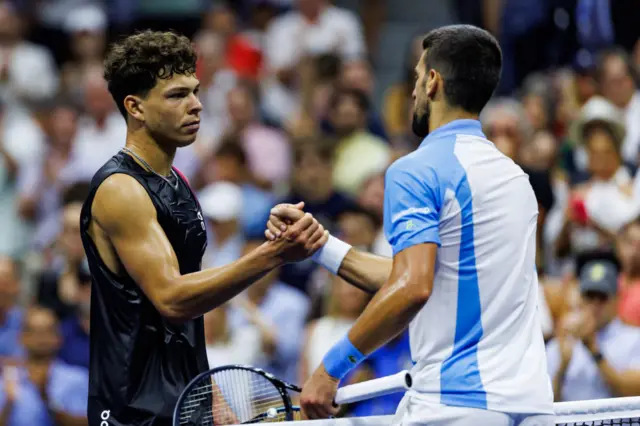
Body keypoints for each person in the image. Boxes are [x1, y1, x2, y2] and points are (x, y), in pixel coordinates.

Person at [266, 25, 555, 425]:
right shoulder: (515, 178)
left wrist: (329, 368)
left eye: (419, 77)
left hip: (455, 406)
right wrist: (323, 246)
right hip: (532, 406)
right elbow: (433, 276)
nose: (415, 90)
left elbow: (412, 286)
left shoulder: (416, 170)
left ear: (433, 81)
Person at [79, 30, 327, 426]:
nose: (196, 106)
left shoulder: (177, 181)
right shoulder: (120, 190)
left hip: (184, 400)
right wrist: (273, 254)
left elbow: (187, 317)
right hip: (133, 412)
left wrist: (210, 394)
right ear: (135, 107)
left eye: (195, 92)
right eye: (177, 95)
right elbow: (173, 299)